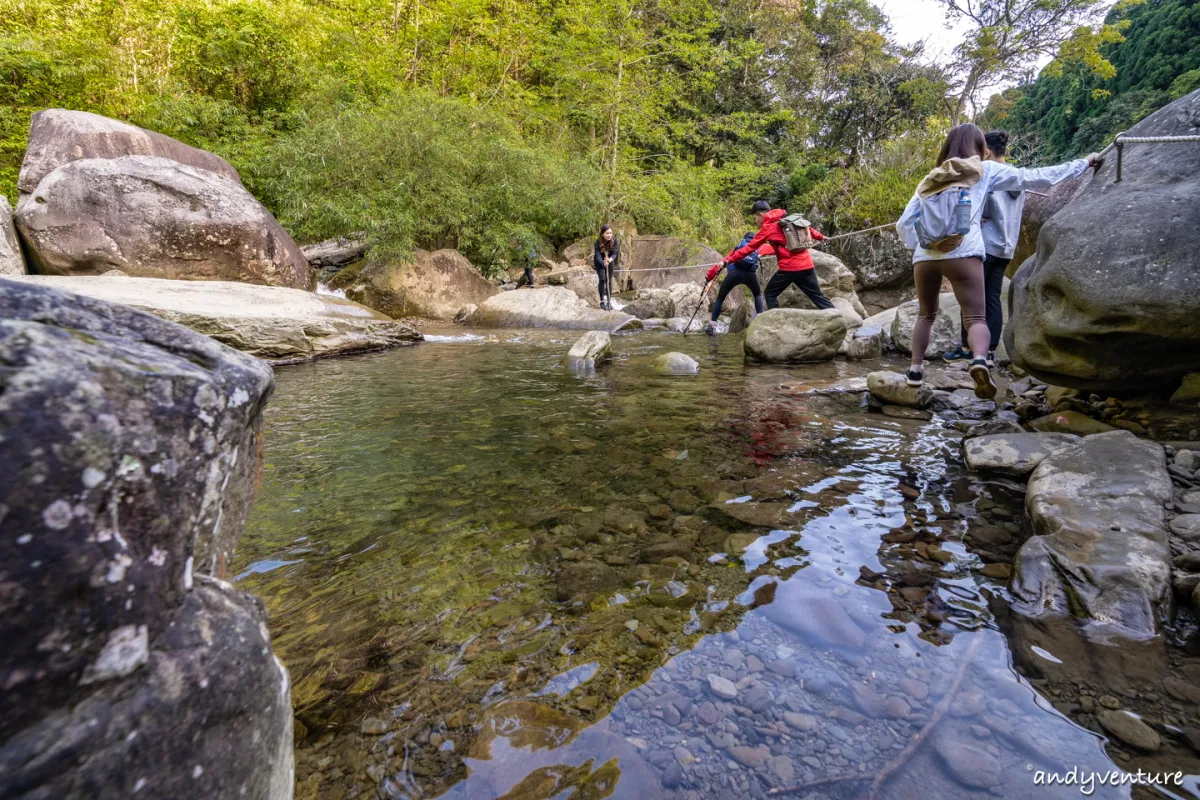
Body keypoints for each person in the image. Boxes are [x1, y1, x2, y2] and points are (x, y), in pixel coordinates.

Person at [897, 123, 1098, 399]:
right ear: (980, 147)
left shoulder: (930, 178)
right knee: (976, 316)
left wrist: (919, 248)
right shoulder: (986, 170)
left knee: (926, 314)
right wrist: (1083, 163)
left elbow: (904, 222)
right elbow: (1037, 177)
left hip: (925, 258)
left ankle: (915, 372)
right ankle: (980, 360)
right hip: (964, 253)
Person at [942, 130, 1061, 365]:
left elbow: (977, 208)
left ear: (985, 150)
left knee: (972, 298)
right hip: (1006, 245)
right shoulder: (1017, 176)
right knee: (993, 298)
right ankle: (989, 350)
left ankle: (968, 347)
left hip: (984, 244)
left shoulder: (987, 174)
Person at [717, 201, 834, 312]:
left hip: (789, 268)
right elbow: (807, 229)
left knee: (770, 293)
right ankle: (838, 319)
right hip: (807, 264)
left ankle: (775, 322)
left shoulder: (767, 228)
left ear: (761, 215)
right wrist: (820, 237)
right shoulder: (787, 219)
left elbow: (748, 249)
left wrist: (728, 260)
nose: (756, 221)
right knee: (818, 296)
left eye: (755, 218)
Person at [703, 232, 769, 335]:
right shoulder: (759, 246)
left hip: (734, 274)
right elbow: (775, 249)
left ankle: (712, 326)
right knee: (757, 294)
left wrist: (709, 277)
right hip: (750, 275)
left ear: (744, 238)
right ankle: (760, 321)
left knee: (720, 298)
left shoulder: (739, 246)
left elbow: (724, 261)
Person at [593, 224, 619, 310]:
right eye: (607, 233)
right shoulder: (597, 242)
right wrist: (603, 263)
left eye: (610, 233)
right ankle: (601, 301)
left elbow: (615, 253)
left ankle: (609, 301)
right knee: (603, 279)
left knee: (609, 280)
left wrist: (609, 260)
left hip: (610, 260)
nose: (609, 235)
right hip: (599, 262)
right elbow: (597, 255)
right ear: (602, 234)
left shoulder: (615, 241)